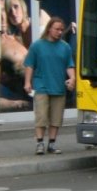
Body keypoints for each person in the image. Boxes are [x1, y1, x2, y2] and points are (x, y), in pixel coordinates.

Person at [23, 17, 75, 155]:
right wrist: (27, 82)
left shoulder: (65, 47)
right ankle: (40, 143)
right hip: (41, 86)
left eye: (61, 30)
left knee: (56, 117)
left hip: (58, 86)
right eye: (57, 29)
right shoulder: (37, 46)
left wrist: (73, 78)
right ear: (49, 29)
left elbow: (69, 65)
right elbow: (29, 65)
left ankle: (52, 144)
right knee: (41, 116)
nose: (59, 32)